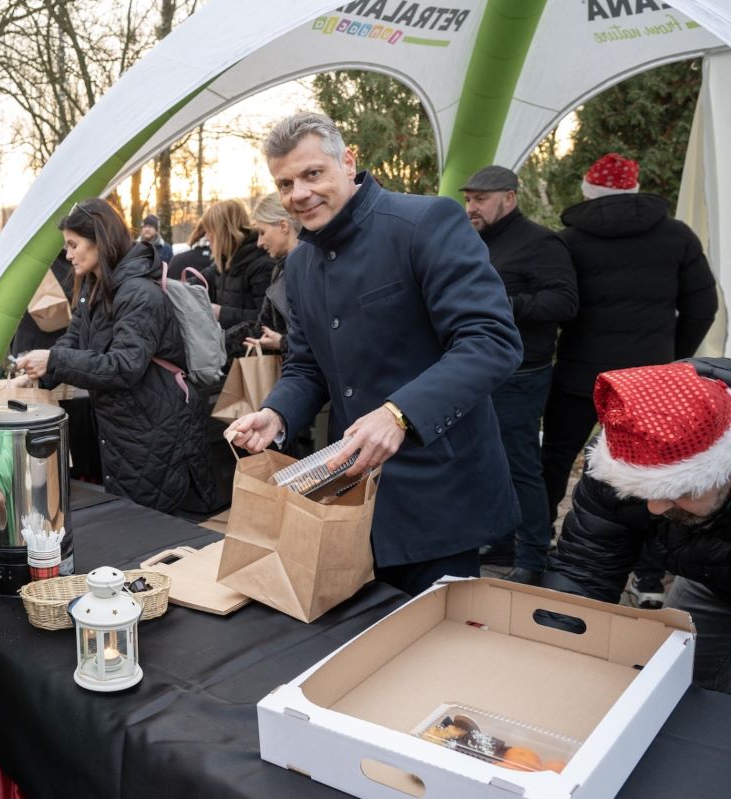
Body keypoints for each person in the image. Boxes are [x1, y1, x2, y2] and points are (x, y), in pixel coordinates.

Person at [228, 112, 522, 597]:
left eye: (312, 174)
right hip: (351, 496)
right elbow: (307, 364)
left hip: (439, 493)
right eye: (285, 183)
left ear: (348, 162)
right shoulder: (299, 263)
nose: (298, 193)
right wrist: (278, 413)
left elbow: (491, 340)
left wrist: (400, 414)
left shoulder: (425, 222)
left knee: (436, 654)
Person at [541, 152, 717, 606]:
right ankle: (647, 578)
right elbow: (703, 306)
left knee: (557, 460)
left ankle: (540, 544)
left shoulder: (569, 241)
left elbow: (562, 306)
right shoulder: (677, 235)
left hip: (583, 373)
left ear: (588, 191)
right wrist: (673, 359)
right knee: (654, 475)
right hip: (653, 382)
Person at [543, 360, 731, 692]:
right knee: (681, 684)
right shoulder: (622, 458)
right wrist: (554, 652)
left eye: (678, 492)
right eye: (641, 491)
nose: (655, 508)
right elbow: (586, 567)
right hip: (708, 577)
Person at [16, 199, 213, 514]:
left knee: (151, 526)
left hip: (154, 432)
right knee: (131, 522)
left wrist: (53, 362)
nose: (67, 255)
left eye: (73, 245)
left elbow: (124, 367)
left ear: (100, 241)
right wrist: (39, 373)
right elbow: (74, 339)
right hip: (125, 430)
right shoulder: (95, 286)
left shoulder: (138, 293)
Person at [461, 165, 578, 584]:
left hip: (521, 373)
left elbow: (564, 303)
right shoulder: (474, 242)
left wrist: (506, 305)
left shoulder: (540, 243)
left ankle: (532, 556)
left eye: (480, 199)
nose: (471, 207)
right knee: (483, 461)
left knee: (519, 465)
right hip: (477, 371)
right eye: (469, 198)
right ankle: (500, 538)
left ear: (509, 198)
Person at [197, 200, 274, 350]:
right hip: (229, 353)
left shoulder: (261, 265)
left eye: (210, 230)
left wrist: (222, 313)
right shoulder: (223, 263)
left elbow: (267, 319)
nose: (206, 237)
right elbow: (193, 282)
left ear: (223, 230)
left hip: (252, 359)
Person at [244, 193, 301, 354]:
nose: (259, 243)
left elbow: (327, 341)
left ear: (283, 226)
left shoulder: (314, 267)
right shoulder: (280, 270)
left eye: (262, 232)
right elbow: (262, 327)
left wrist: (284, 343)